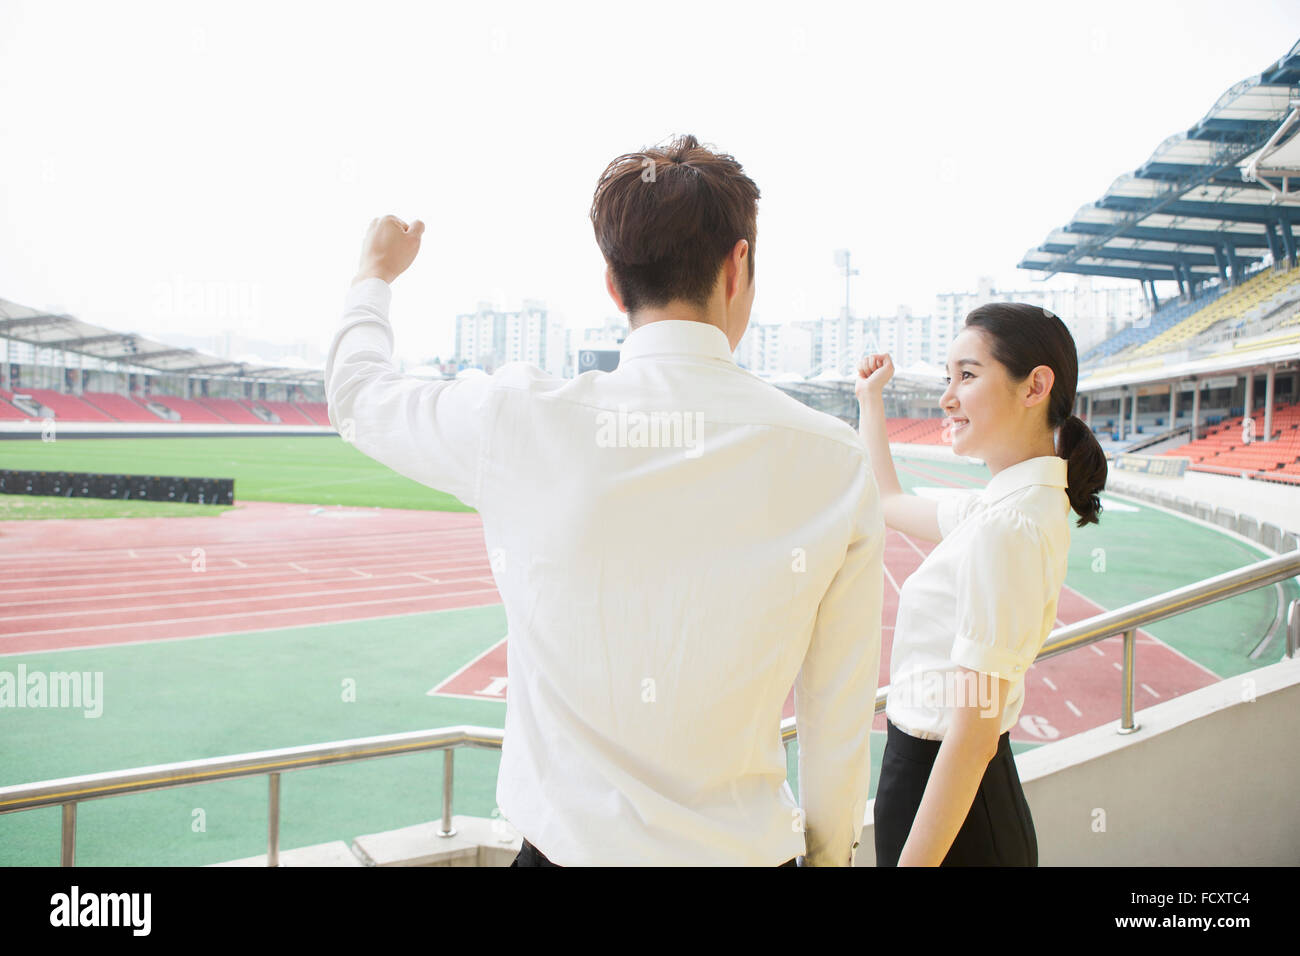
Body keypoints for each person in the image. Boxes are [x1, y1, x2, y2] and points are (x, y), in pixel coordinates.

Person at [325, 134, 886, 866]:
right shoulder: (834, 459)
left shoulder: (518, 419)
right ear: (738, 263)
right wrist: (831, 856)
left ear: (615, 287)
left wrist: (375, 274)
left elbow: (359, 396)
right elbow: (836, 719)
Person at [854, 302, 1107, 866]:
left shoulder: (1009, 524)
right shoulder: (1006, 506)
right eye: (949, 378)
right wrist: (870, 399)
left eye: (967, 376)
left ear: (1036, 385)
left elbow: (970, 737)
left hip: (953, 811)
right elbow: (890, 502)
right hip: (939, 794)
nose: (947, 398)